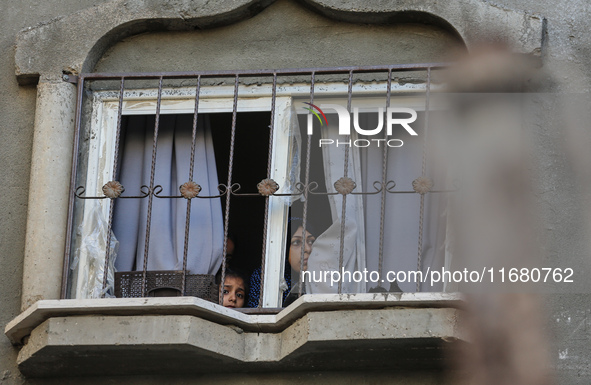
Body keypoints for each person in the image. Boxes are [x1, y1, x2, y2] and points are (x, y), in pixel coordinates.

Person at [247, 218, 315, 308]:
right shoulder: (265, 277)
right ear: (284, 248)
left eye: (311, 241)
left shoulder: (323, 276)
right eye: (296, 242)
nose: (307, 249)